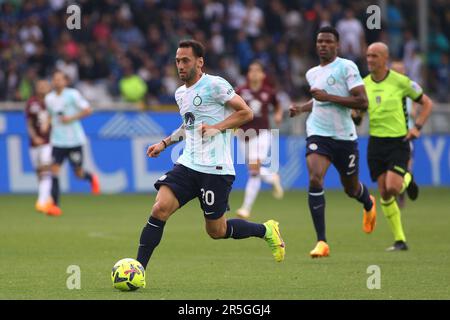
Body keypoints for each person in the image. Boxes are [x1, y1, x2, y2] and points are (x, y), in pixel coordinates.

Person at [136, 40, 285, 271]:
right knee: (159, 208)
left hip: (216, 170)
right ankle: (138, 269)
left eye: (185, 60)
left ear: (200, 62)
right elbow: (188, 125)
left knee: (216, 231)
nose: (180, 65)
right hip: (187, 164)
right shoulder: (180, 94)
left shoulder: (215, 84)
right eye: (177, 61)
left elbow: (246, 112)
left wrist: (218, 127)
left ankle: (266, 230)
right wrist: (164, 143)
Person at [289, 26, 376, 258]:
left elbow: (362, 101)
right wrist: (301, 108)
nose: (323, 45)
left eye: (328, 41)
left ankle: (367, 201)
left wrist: (328, 97)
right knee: (315, 177)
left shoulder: (347, 67)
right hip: (318, 133)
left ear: (337, 45)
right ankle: (322, 242)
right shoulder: (311, 73)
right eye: (319, 41)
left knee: (351, 188)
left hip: (344, 137)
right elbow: (318, 102)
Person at [364, 42, 433, 251]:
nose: (369, 60)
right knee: (384, 193)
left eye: (374, 56)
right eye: (367, 56)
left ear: (385, 59)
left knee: (394, 187)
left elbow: (427, 103)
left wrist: (417, 127)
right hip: (375, 143)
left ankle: (408, 180)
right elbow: (357, 111)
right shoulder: (363, 84)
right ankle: (400, 240)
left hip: (398, 142)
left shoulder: (401, 82)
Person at [45, 70, 100, 215]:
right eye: (54, 79)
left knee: (78, 173)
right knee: (54, 171)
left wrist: (71, 118)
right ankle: (55, 205)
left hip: (74, 140)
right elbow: (50, 115)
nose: (57, 82)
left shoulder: (72, 94)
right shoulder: (49, 98)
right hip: (57, 140)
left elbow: (88, 110)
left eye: (59, 79)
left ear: (65, 81)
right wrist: (47, 123)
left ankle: (91, 178)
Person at [235, 60, 284, 219]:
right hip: (244, 135)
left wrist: (278, 114)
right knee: (253, 170)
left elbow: (277, 105)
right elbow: (232, 107)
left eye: (257, 70)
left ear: (263, 75)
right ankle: (271, 176)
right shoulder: (241, 91)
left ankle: (245, 208)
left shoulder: (268, 92)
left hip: (262, 134)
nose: (254, 73)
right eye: (251, 70)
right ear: (248, 74)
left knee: (254, 171)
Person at [25, 79, 56, 215]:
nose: (43, 88)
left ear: (49, 87)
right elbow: (29, 123)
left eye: (45, 85)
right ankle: (47, 198)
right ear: (36, 87)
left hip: (49, 141)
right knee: (39, 172)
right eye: (40, 85)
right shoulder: (32, 103)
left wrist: (49, 123)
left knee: (45, 168)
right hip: (35, 143)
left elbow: (57, 117)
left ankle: (41, 201)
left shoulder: (53, 101)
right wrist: (34, 137)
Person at [390, 60, 416, 208]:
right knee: (393, 168)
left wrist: (415, 117)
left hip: (406, 133)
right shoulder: (387, 87)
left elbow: (419, 104)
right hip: (389, 133)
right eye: (395, 70)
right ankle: (406, 182)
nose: (399, 73)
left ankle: (401, 192)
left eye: (401, 70)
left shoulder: (409, 86)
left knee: (405, 165)